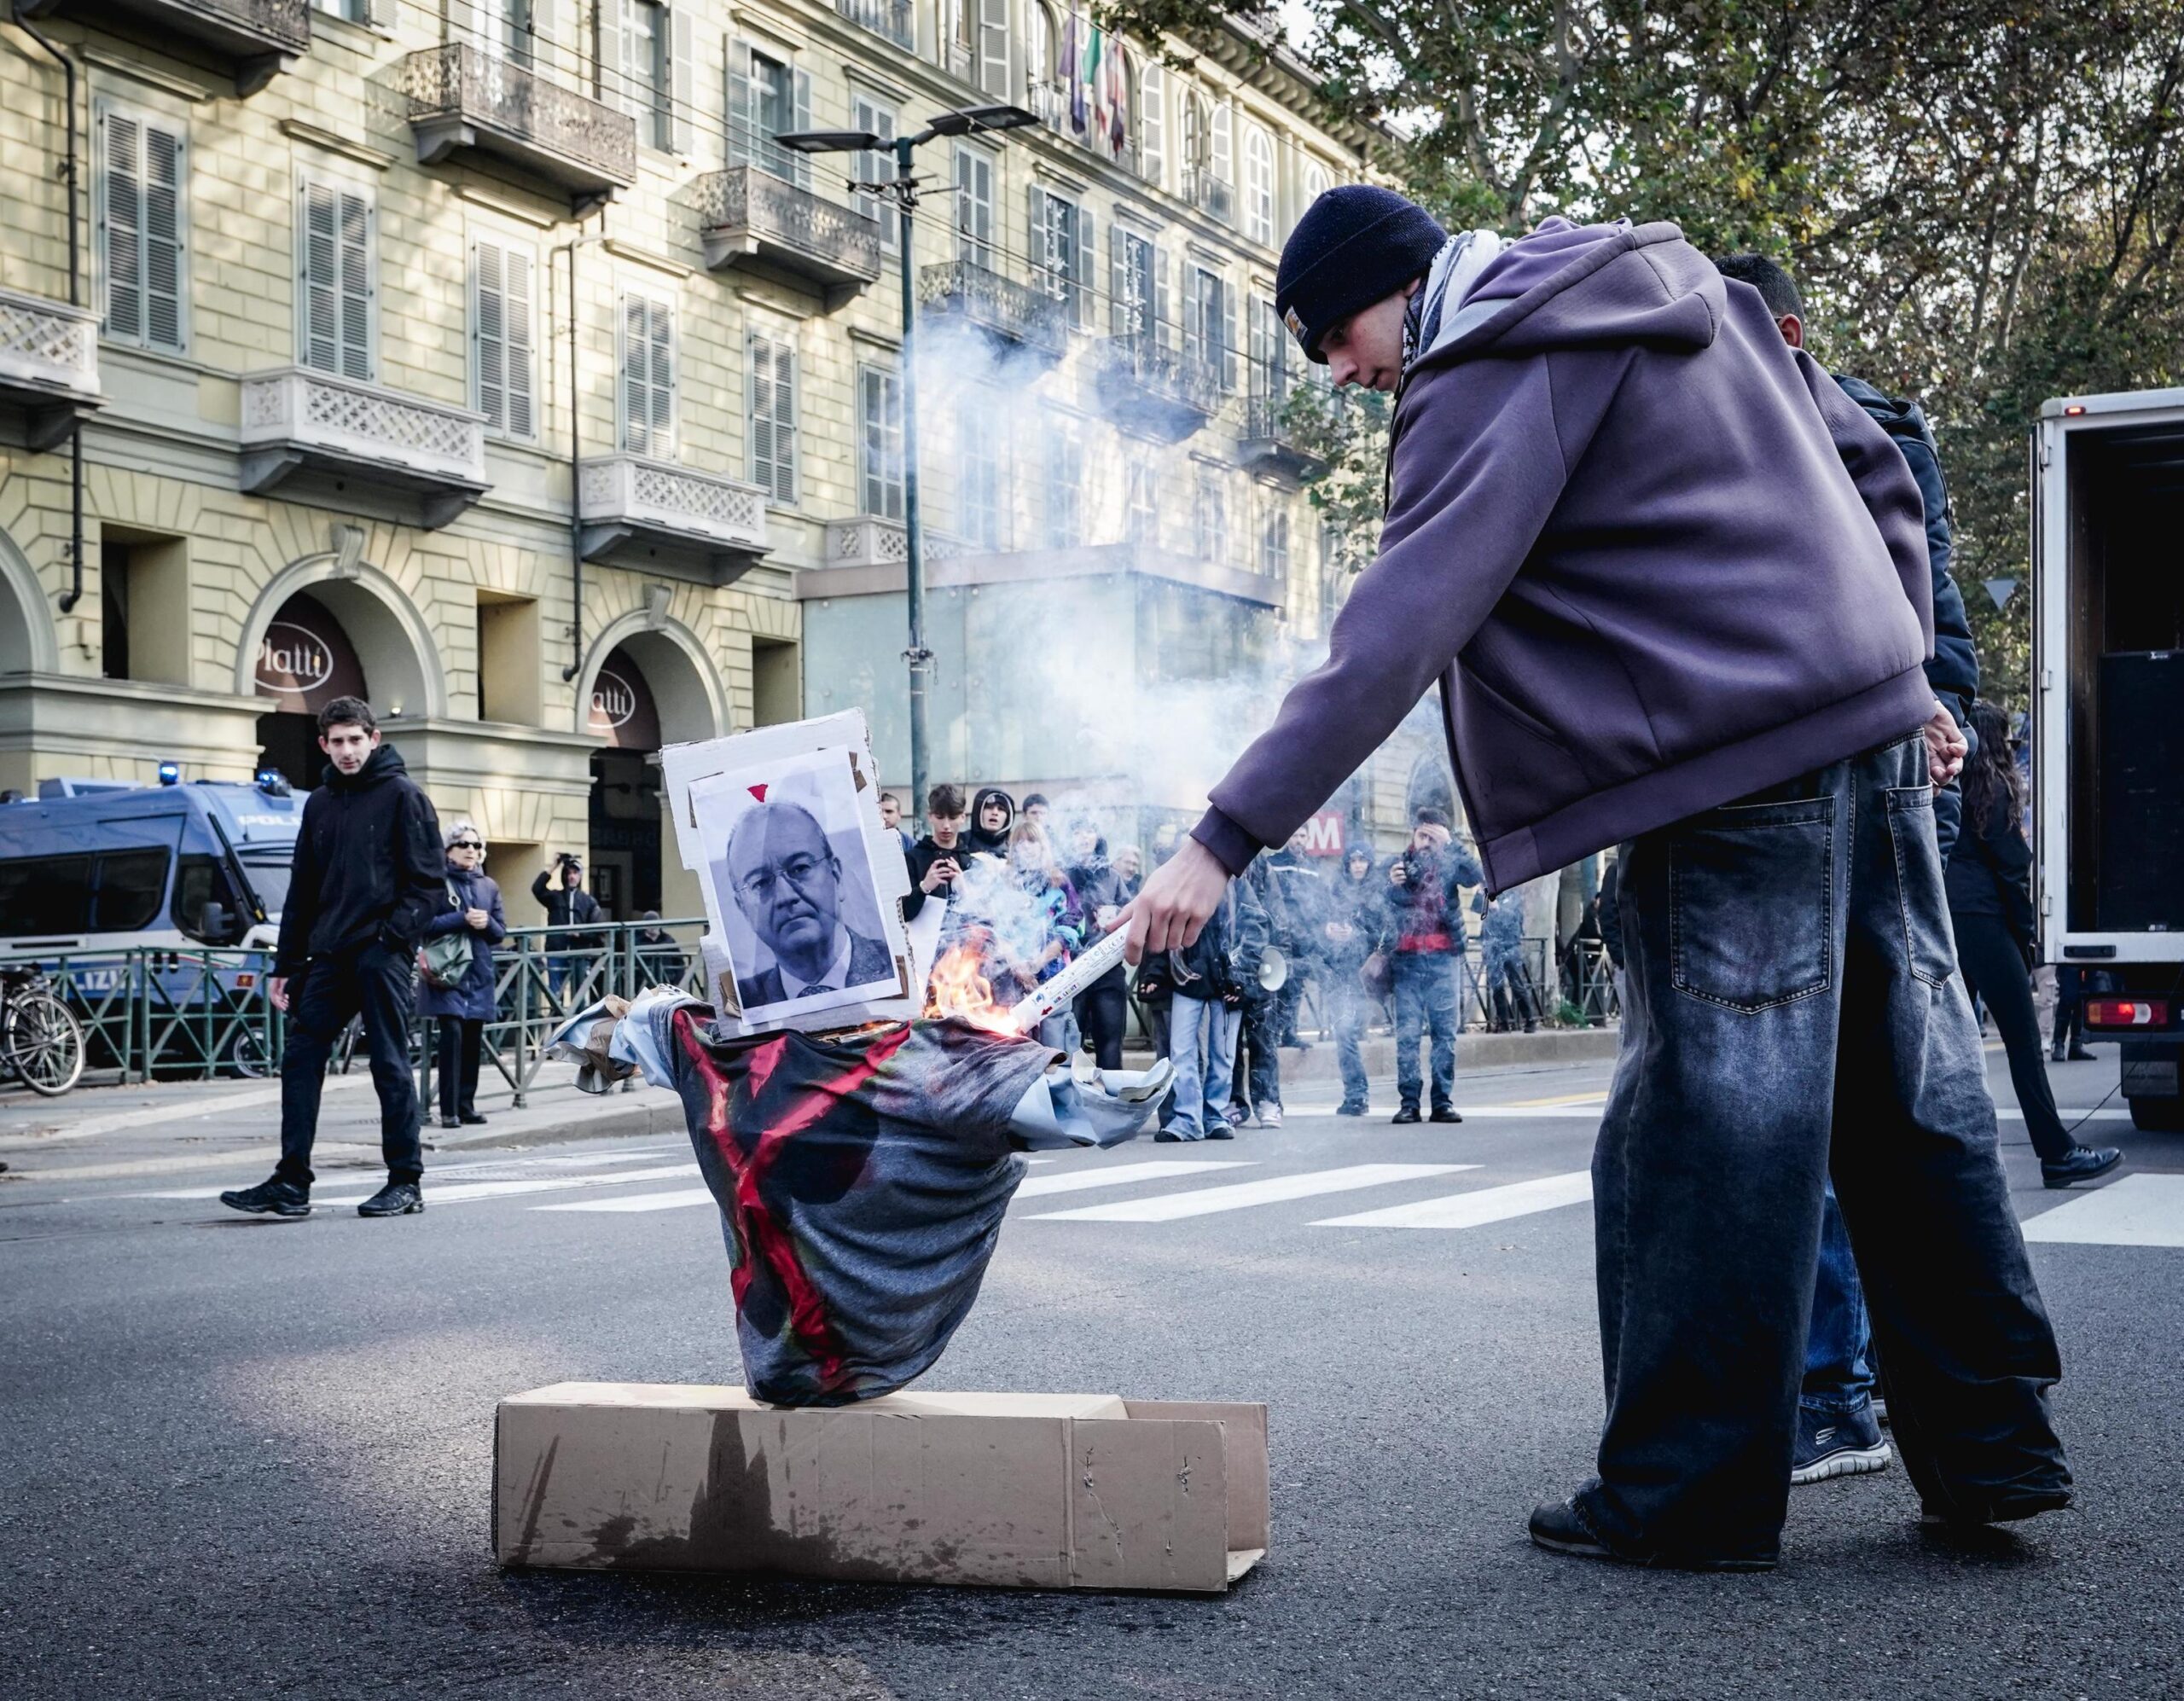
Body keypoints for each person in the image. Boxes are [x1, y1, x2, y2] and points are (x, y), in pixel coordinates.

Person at [1123, 189, 2072, 1569]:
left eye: (1335, 333)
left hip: (1729, 762)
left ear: (1401, 287)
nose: (1340, 371)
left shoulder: (1489, 357)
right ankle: (1994, 1446)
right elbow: (1874, 454)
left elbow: (1399, 620)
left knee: (1702, 1137)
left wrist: (1222, 837)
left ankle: (1688, 1490)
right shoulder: (1691, 287)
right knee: (1907, 1101)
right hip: (1863, 739)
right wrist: (1906, 661)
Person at [1716, 253, 1980, 863]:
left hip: (1896, 767)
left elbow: (1921, 621)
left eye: (1719, 341)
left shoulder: (1874, 442)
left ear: (1786, 336)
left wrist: (1928, 742)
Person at [220, 697, 443, 1220]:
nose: (347, 751)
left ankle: (405, 1180)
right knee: (300, 1058)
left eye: (355, 740)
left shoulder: (403, 796)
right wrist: (287, 965)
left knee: (389, 1062)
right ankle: (291, 1182)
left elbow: (428, 885)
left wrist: (392, 940)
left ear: (374, 739)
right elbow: (303, 888)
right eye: (337, 742)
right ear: (324, 744)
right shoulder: (319, 802)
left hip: (380, 954)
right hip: (328, 955)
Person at [1949, 704, 2124, 1188]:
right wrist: (2026, 937)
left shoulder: (1949, 787)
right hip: (1986, 920)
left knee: (1951, 1044)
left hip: (1948, 918)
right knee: (2024, 1043)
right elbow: (2012, 875)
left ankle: (1956, 1161)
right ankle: (2057, 1154)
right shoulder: (1995, 791)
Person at [727, 799, 892, 1009]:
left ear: (837, 876)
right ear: (743, 908)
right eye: (760, 883)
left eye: (800, 868)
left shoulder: (902, 969)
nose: (785, 896)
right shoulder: (740, 1005)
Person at [1384, 810, 1485, 1123]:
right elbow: (1375, 906)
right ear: (1413, 834)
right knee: (1408, 1035)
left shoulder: (1451, 861)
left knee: (1445, 1034)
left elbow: (1477, 876)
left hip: (1444, 960)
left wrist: (1451, 844)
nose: (1426, 843)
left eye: (1433, 836)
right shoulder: (1397, 865)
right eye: (1422, 835)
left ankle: (1442, 1101)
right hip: (1407, 962)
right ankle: (1409, 1103)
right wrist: (1390, 885)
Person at [1153, 874, 1268, 1143]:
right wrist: (1156, 973)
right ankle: (1187, 1119)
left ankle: (1214, 1115)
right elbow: (1163, 923)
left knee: (1223, 1053)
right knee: (1181, 1051)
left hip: (1228, 978)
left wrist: (1242, 975)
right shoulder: (1183, 880)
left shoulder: (1238, 883)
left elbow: (1256, 926)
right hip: (1188, 975)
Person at [417, 819, 507, 1129]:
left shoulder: (489, 886)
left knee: (472, 1040)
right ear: (449, 851)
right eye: (464, 845)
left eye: (476, 845)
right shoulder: (436, 882)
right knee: (452, 1037)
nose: (471, 850)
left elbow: (500, 933)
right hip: (446, 974)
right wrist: (462, 918)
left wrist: (486, 924)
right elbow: (424, 925)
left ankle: (466, 1105)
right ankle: (448, 1109)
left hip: (478, 972)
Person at [1321, 845, 1386, 1116]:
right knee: (1344, 1033)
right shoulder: (1335, 890)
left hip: (1366, 973)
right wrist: (1328, 930)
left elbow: (1382, 932)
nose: (1358, 866)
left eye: (1363, 861)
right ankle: (1356, 1094)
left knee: (1350, 1032)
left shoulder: (1378, 891)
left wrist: (1355, 935)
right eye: (1354, 861)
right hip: (1340, 971)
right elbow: (1320, 919)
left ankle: (1360, 1094)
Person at [1066, 824, 1132, 1070]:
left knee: (1110, 1043)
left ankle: (1111, 1102)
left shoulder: (1112, 876)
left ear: (1098, 837)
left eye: (1089, 830)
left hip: (1107, 970)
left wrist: (1114, 918)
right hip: (1070, 972)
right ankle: (1071, 1103)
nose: (1083, 836)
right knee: (1071, 1044)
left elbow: (1129, 916)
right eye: (1078, 830)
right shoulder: (1061, 874)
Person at [531, 854, 603, 1009]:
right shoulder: (555, 897)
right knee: (555, 999)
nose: (571, 877)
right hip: (557, 952)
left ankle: (577, 1032)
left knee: (579, 1000)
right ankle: (557, 1031)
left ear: (580, 876)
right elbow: (537, 888)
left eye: (575, 873)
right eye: (568, 873)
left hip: (580, 954)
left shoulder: (588, 901)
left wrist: (581, 934)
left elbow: (599, 929)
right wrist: (554, 865)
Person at [902, 783, 971, 921]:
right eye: (940, 817)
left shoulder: (972, 862)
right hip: (921, 940)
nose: (946, 826)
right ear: (930, 816)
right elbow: (901, 914)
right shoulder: (912, 858)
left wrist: (964, 891)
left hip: (962, 941)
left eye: (952, 818)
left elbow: (984, 919)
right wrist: (924, 888)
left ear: (963, 817)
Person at [1479, 891, 1539, 1034]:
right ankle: (1503, 1022)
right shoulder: (1489, 896)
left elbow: (1514, 922)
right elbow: (1476, 908)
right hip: (1493, 949)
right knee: (1497, 987)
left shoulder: (1512, 898)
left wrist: (1497, 908)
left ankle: (1529, 1019)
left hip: (1510, 947)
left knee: (1516, 985)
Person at [2051, 966, 2094, 1063]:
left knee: (2083, 998)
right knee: (2068, 998)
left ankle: (2076, 1045)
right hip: (2070, 959)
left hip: (2090, 957)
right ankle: (2058, 1045)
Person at [634, 910, 688, 988]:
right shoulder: (637, 942)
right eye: (650, 924)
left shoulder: (668, 940)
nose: (653, 927)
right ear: (644, 926)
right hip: (644, 986)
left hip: (667, 983)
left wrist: (677, 982)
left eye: (655, 923)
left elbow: (679, 963)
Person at [964, 787, 1016, 859]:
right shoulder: (962, 841)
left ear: (1008, 817)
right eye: (989, 807)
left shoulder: (1014, 846)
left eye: (1001, 809)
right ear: (979, 811)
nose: (995, 813)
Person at [879, 791, 913, 856]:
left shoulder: (909, 843)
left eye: (889, 811)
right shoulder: (866, 842)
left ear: (899, 815)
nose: (884, 816)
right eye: (879, 812)